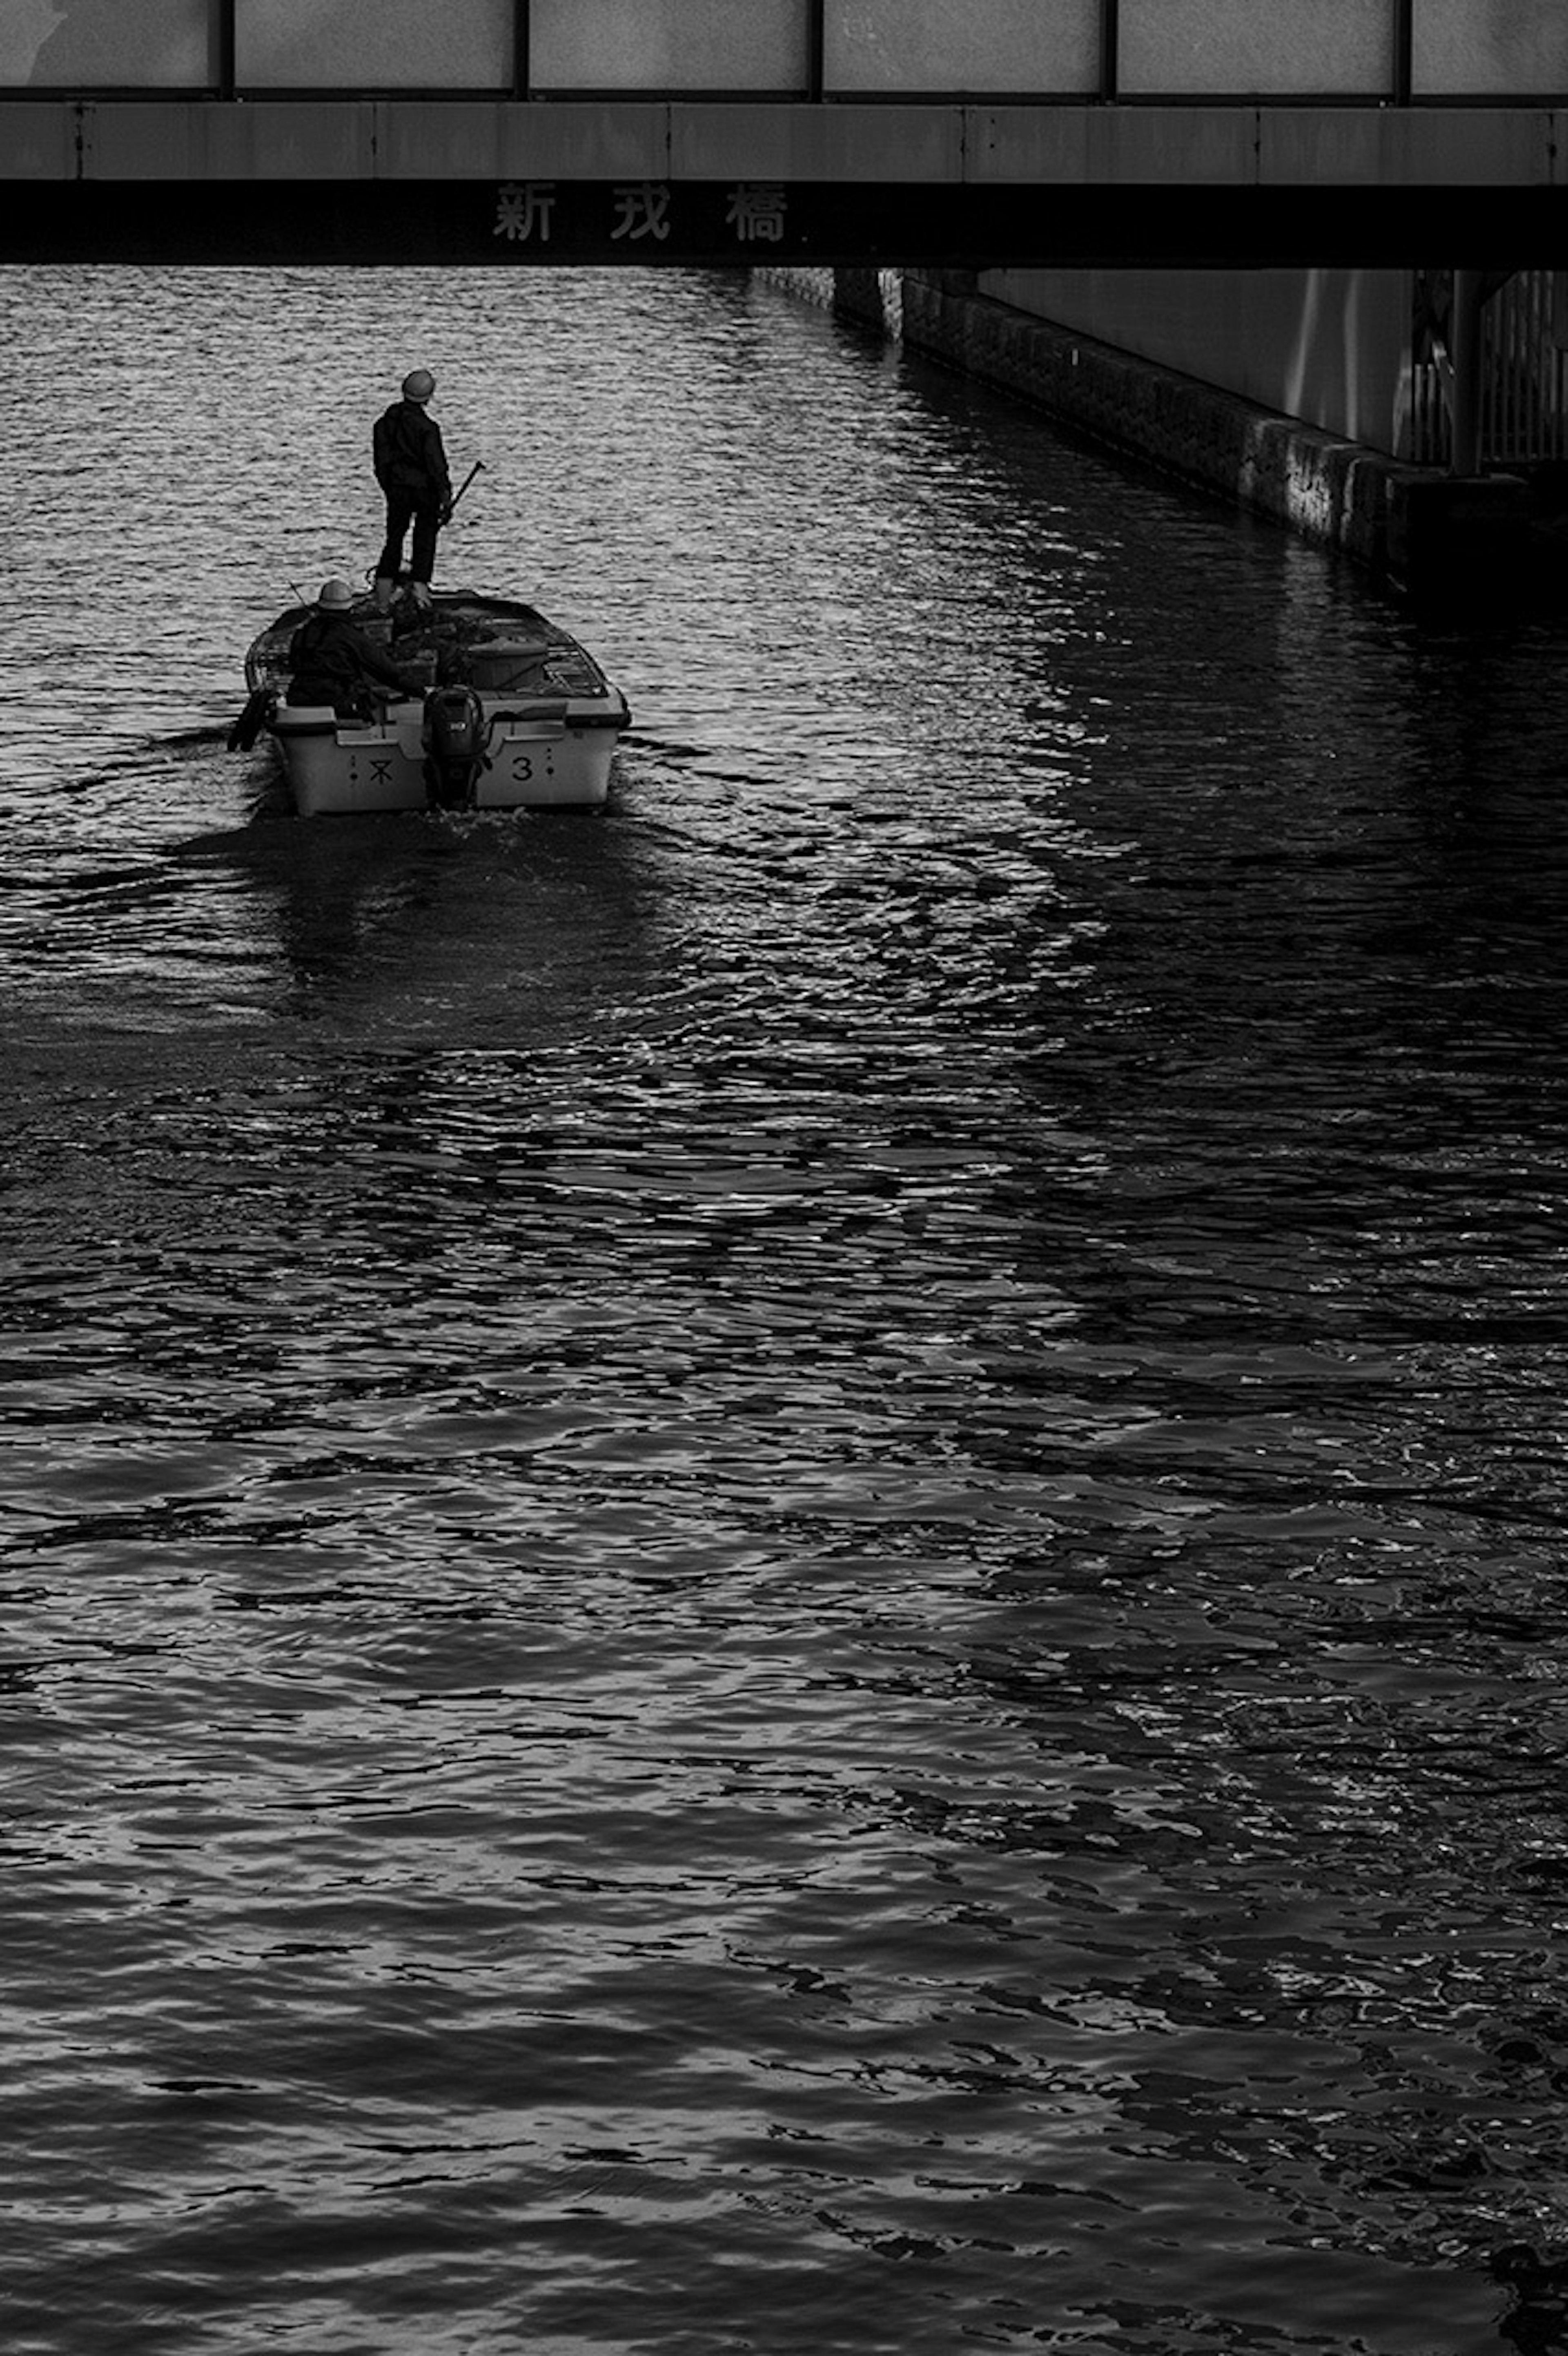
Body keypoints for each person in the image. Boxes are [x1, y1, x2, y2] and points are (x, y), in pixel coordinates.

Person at [372, 367, 453, 613]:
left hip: (396, 490)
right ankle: (420, 593)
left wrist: (389, 488)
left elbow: (381, 464)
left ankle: (383, 598)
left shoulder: (383, 424)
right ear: (428, 397)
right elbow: (436, 467)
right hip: (425, 491)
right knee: (425, 539)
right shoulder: (428, 429)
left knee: (394, 540)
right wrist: (445, 497)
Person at [286, 578, 421, 714]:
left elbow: (293, 664)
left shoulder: (302, 634)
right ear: (349, 609)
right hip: (340, 703)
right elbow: (387, 672)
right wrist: (420, 691)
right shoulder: (351, 637)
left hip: (299, 699)